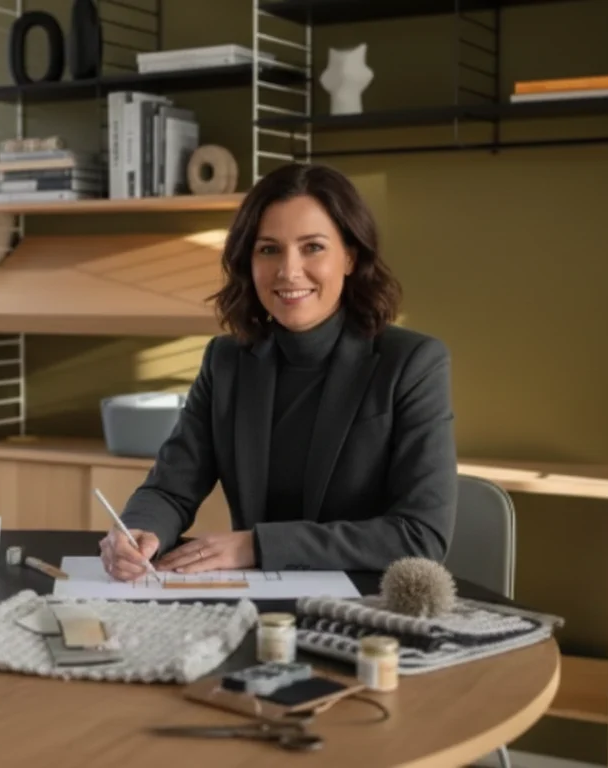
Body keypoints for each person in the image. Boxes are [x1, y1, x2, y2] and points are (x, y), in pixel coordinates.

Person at [99, 162, 457, 581]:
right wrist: (141, 530)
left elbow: (421, 536)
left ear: (350, 256)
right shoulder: (226, 361)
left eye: (313, 247)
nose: (288, 271)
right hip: (258, 602)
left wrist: (257, 545)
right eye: (268, 249)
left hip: (369, 606)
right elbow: (170, 488)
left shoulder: (414, 363)